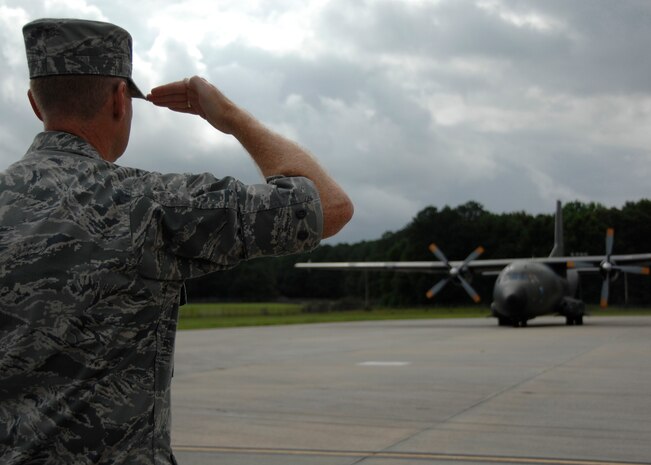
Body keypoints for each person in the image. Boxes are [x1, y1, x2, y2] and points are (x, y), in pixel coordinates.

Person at [0, 18, 353, 465]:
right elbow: (331, 206)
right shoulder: (150, 204)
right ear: (118, 100)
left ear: (34, 103)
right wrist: (232, 118)